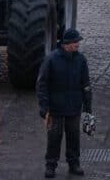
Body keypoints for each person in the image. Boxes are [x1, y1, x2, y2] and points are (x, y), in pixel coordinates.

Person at [37, 29, 92, 178]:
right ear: (66, 44)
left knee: (74, 136)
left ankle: (74, 163)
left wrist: (88, 107)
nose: (78, 44)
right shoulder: (51, 60)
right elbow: (42, 84)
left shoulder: (81, 60)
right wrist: (44, 106)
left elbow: (85, 84)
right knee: (54, 137)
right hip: (56, 108)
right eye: (75, 42)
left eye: (78, 42)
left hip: (74, 107)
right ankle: (51, 165)